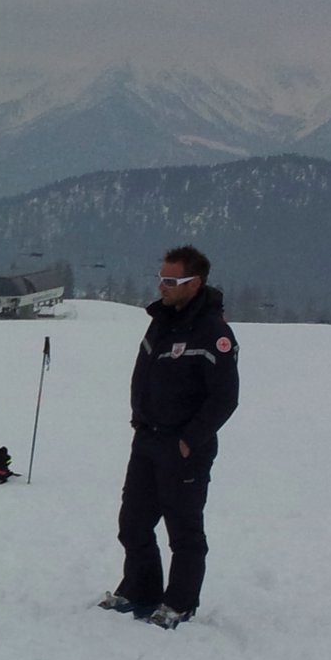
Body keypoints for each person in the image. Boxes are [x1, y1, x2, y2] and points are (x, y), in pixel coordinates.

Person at [100, 245, 239, 628]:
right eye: (160, 278)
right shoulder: (161, 320)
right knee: (133, 522)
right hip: (147, 439)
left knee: (184, 528)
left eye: (171, 280)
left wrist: (189, 439)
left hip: (184, 448)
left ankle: (179, 602)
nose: (162, 286)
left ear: (194, 284)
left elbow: (225, 398)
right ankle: (140, 589)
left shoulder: (215, 333)